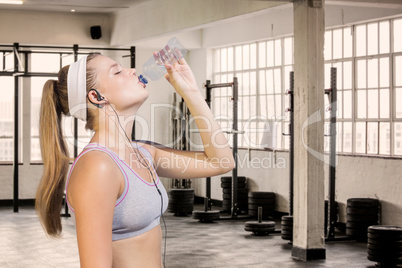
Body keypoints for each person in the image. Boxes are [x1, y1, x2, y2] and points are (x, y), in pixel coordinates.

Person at [35, 52, 235, 268]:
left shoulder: (143, 152)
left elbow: (221, 163)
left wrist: (192, 93)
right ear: (97, 97)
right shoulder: (98, 166)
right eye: (118, 71)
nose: (132, 71)